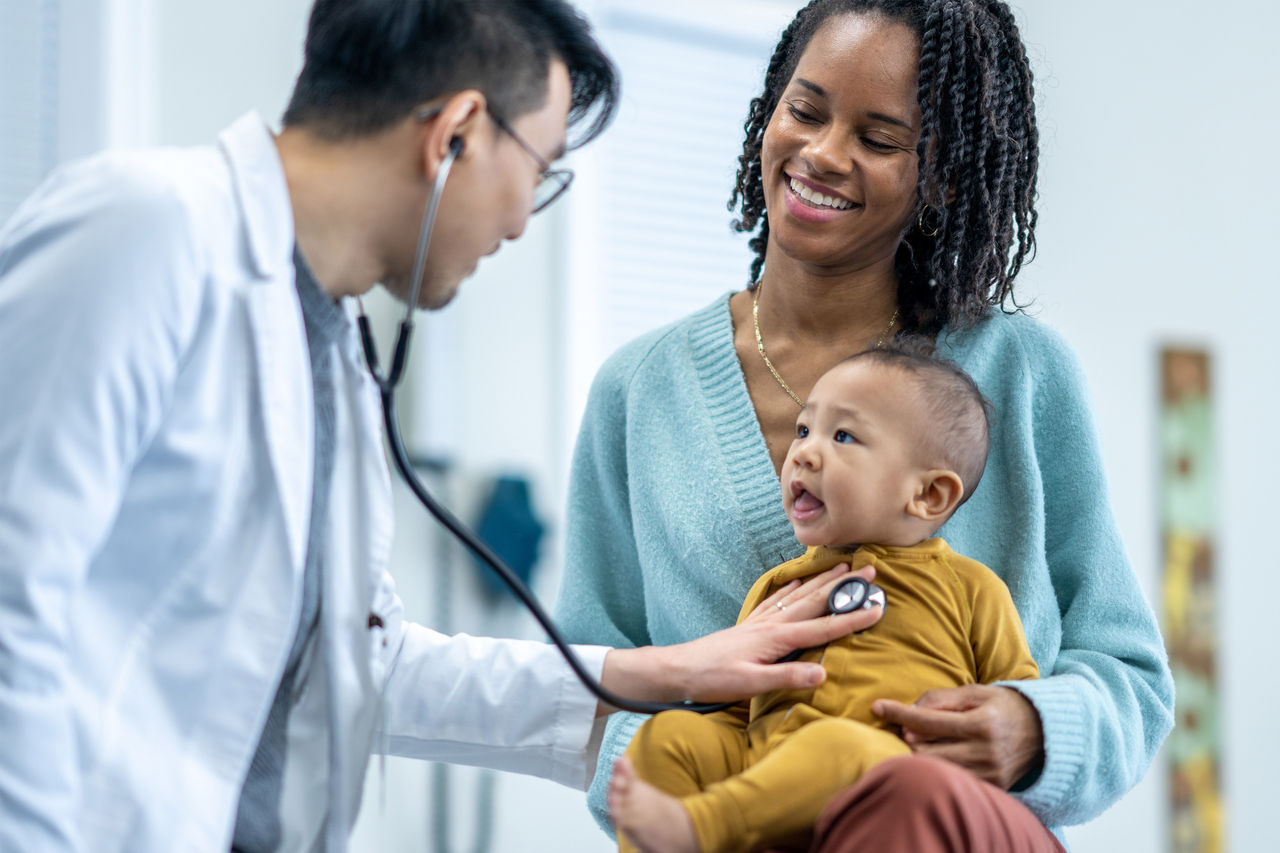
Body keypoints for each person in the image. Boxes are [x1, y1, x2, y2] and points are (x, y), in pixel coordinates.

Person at [0, 1, 886, 850]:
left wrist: (668, 670)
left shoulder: (333, 344)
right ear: (455, 132)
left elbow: (363, 664)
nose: (520, 221)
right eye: (537, 171)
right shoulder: (146, 229)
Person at [554, 0, 1176, 849]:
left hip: (950, 820)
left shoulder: (1019, 373)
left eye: (879, 139)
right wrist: (699, 785)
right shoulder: (638, 393)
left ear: (943, 176)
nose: (822, 153)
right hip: (733, 826)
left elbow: (1129, 675)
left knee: (904, 793)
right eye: (805, 111)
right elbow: (588, 684)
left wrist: (1035, 728)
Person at [609, 348, 1040, 853]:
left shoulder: (971, 588)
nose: (804, 453)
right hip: (764, 769)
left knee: (837, 742)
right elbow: (733, 705)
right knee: (670, 736)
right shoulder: (777, 588)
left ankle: (701, 828)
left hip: (883, 774)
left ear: (928, 495)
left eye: (843, 437)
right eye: (803, 430)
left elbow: (1014, 702)